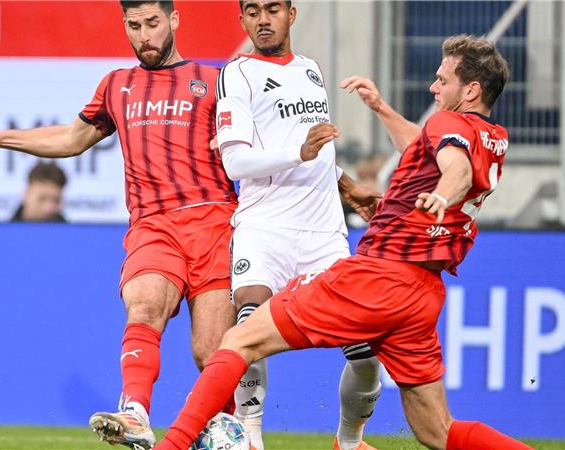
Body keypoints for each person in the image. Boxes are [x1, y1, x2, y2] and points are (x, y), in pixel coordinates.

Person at [151, 34, 534, 450]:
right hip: (422, 295)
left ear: (471, 90)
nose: (433, 87)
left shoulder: (448, 127)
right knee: (436, 431)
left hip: (378, 277)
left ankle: (173, 445)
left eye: (443, 80)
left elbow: (455, 169)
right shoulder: (491, 136)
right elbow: (424, 145)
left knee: (240, 338)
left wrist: (443, 195)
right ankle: (349, 442)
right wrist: (381, 108)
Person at [0, 1, 237, 448]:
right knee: (144, 304)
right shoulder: (116, 85)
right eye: (134, 25)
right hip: (153, 224)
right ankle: (135, 413)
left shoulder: (217, 79)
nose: (144, 35)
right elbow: (71, 139)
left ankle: (229, 428)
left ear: (174, 20)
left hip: (215, 221)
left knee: (211, 352)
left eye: (152, 23)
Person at [215, 2, 384, 449]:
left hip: (324, 234)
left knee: (367, 353)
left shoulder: (310, 70)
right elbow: (235, 161)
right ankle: (250, 436)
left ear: (292, 14)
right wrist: (299, 152)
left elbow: (317, 152)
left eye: (272, 9)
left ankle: (349, 441)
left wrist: (348, 186)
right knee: (248, 326)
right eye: (252, 11)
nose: (262, 20)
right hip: (265, 226)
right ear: (242, 20)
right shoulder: (237, 74)